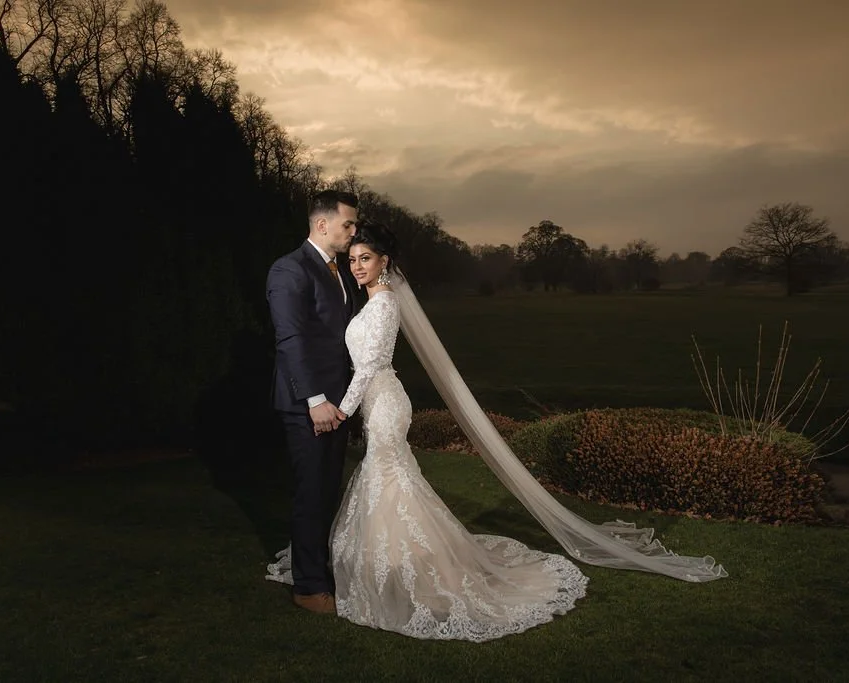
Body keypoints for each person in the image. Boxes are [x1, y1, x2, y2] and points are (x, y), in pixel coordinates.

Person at [268, 222, 727, 641]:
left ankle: (409, 567)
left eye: (365, 258)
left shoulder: (385, 303)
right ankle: (392, 561)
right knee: (390, 478)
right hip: (377, 401)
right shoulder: (370, 300)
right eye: (352, 258)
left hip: (383, 402)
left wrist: (341, 411)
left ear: (384, 261)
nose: (356, 266)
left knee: (389, 478)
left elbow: (369, 366)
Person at [265, 189, 360, 615]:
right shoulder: (290, 268)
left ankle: (319, 569)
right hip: (309, 403)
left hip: (337, 401)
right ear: (322, 224)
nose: (353, 231)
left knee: (327, 492)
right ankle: (307, 587)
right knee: (311, 493)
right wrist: (315, 399)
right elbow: (291, 339)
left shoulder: (339, 270)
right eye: (347, 224)